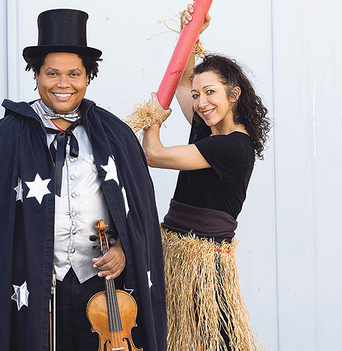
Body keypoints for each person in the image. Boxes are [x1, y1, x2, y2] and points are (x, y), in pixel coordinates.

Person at [0, 9, 166, 351]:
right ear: (36, 76)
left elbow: (140, 215)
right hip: (35, 287)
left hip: (101, 286)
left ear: (88, 76)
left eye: (74, 73)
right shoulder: (6, 135)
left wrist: (122, 250)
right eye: (52, 73)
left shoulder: (114, 134)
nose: (63, 83)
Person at [141, 4, 269, 350]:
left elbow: (152, 154)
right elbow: (181, 82)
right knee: (171, 338)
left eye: (210, 92)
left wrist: (152, 119)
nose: (200, 102)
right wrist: (191, 33)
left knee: (221, 342)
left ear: (234, 94)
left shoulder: (233, 147)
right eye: (198, 95)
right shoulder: (207, 126)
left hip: (205, 262)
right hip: (175, 250)